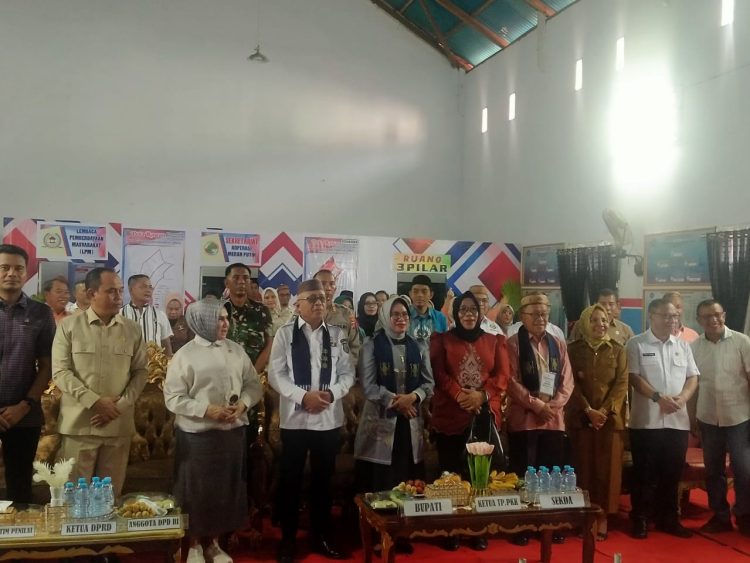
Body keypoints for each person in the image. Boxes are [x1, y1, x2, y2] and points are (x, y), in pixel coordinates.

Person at [164, 298, 263, 563]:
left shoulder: (235, 350)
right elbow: (173, 398)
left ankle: (215, 544)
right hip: (198, 435)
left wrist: (243, 404)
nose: (225, 323)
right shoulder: (185, 355)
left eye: (226, 318)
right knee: (196, 492)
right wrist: (206, 410)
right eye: (219, 318)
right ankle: (194, 544)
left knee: (224, 491)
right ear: (202, 321)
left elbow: (253, 385)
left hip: (232, 432)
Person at [269, 279, 355, 563]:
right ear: (298, 305)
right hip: (295, 421)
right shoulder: (284, 334)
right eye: (312, 299)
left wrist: (331, 394)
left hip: (327, 420)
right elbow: (276, 375)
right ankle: (288, 539)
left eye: (322, 298)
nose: (319, 303)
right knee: (291, 481)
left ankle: (321, 535)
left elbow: (347, 374)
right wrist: (303, 397)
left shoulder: (337, 335)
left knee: (323, 482)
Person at [52, 267, 148, 496]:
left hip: (117, 426)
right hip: (79, 425)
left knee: (108, 500)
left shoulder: (132, 329)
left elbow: (141, 372)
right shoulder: (69, 326)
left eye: (120, 291)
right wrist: (95, 402)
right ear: (91, 293)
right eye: (111, 291)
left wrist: (119, 406)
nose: (118, 296)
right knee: (73, 499)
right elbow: (61, 372)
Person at [430, 291, 509, 551]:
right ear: (455, 313)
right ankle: (451, 529)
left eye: (473, 309)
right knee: (450, 475)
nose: (468, 314)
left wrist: (480, 396)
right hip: (450, 415)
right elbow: (439, 374)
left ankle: (477, 528)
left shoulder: (495, 340)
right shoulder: (442, 340)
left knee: (479, 477)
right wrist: (459, 395)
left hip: (482, 416)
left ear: (480, 313)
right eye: (463, 309)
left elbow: (502, 375)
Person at [353, 296, 434, 526]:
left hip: (409, 425)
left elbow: (429, 384)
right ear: (385, 316)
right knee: (382, 482)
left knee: (407, 480)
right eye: (395, 314)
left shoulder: (419, 345)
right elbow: (368, 387)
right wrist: (399, 402)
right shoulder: (370, 345)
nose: (401, 318)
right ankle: (379, 529)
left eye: (405, 314)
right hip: (381, 425)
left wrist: (413, 397)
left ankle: (406, 529)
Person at [627, 298, 699, 539]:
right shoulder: (636, 343)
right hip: (647, 421)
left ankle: (669, 519)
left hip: (677, 421)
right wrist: (658, 398)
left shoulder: (683, 346)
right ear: (652, 316)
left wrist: (683, 398)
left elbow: (693, 377)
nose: (671, 320)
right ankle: (640, 518)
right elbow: (634, 377)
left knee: (672, 473)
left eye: (674, 316)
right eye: (666, 316)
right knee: (645, 473)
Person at [506, 293, 573, 545]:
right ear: (522, 316)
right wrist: (536, 405)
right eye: (535, 314)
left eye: (544, 313)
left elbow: (567, 381)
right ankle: (522, 524)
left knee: (551, 473)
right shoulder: (512, 344)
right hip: (524, 420)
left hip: (553, 421)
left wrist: (551, 407)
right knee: (524, 473)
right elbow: (510, 381)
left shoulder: (558, 343)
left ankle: (550, 524)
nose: (541, 318)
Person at [566, 304, 629, 540]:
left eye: (603, 320)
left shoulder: (618, 349)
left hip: (609, 421)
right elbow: (570, 383)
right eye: (594, 320)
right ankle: (584, 516)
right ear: (585, 323)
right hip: (581, 419)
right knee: (583, 469)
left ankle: (603, 516)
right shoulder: (573, 350)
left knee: (607, 471)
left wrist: (603, 411)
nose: (600, 325)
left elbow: (621, 384)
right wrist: (588, 410)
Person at [0, 244, 56, 503]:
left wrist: (24, 406)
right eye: (4, 267)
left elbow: (46, 365)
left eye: (18, 268)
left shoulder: (40, 313)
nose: (12, 273)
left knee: (20, 487)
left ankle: (19, 531)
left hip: (24, 414)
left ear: (26, 273)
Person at [691, 299, 750, 536]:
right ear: (699, 320)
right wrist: (691, 417)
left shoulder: (742, 342)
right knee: (713, 470)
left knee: (744, 468)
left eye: (717, 314)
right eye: (706, 316)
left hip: (739, 417)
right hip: (707, 417)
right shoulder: (694, 347)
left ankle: (745, 514)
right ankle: (720, 516)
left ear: (724, 315)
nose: (713, 320)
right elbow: (692, 385)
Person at [314, 270, 361, 365]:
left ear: (335, 289)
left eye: (332, 284)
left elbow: (355, 347)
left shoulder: (346, 314)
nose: (328, 288)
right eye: (323, 283)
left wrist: (346, 369)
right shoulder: (303, 314)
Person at [121, 274, 174, 356]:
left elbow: (166, 345)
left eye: (150, 287)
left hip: (154, 363)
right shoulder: (119, 314)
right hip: (127, 363)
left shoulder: (160, 315)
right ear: (131, 290)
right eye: (143, 287)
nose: (148, 290)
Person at [569, 288, 635, 346]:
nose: (607, 308)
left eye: (611, 304)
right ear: (595, 304)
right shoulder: (581, 325)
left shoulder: (625, 330)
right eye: (603, 304)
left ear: (617, 305)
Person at [407, 275, 448, 344]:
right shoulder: (404, 316)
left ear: (431, 294)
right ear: (410, 294)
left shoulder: (440, 318)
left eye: (424, 291)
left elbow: (445, 343)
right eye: (415, 291)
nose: (420, 295)